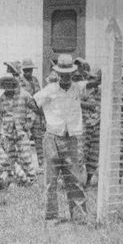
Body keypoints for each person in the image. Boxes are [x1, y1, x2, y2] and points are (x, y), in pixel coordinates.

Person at [33, 54, 87, 224]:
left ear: (72, 73)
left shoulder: (78, 88)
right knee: (51, 180)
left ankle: (79, 217)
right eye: (62, 73)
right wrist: (47, 116)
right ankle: (51, 216)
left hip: (71, 138)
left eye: (68, 73)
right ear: (57, 73)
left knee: (75, 179)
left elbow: (96, 80)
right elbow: (33, 102)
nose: (65, 77)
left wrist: (83, 66)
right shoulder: (50, 89)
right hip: (52, 138)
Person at [0, 75, 37, 186]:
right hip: (8, 132)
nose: (8, 86)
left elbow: (34, 108)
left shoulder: (24, 95)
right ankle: (13, 179)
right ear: (3, 86)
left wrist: (30, 122)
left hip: (21, 131)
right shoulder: (1, 99)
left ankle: (32, 179)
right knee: (10, 157)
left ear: (14, 84)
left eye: (10, 84)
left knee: (25, 155)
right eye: (6, 84)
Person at [81, 68, 102, 187]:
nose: (90, 80)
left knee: (93, 155)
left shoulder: (100, 91)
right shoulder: (83, 89)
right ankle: (77, 182)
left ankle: (88, 181)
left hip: (97, 125)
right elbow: (75, 102)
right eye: (90, 77)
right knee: (81, 153)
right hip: (85, 125)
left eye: (94, 78)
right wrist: (90, 106)